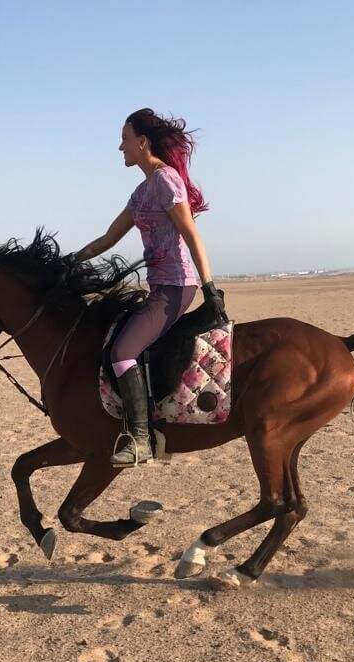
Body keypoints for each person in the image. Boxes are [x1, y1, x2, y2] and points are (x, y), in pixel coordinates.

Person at [72, 108, 226, 466]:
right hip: (159, 287)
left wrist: (209, 287)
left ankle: (140, 439)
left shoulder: (166, 180)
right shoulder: (142, 192)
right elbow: (108, 239)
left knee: (122, 352)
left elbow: (191, 235)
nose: (120, 147)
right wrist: (71, 262)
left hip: (176, 285)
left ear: (142, 142)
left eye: (124, 139)